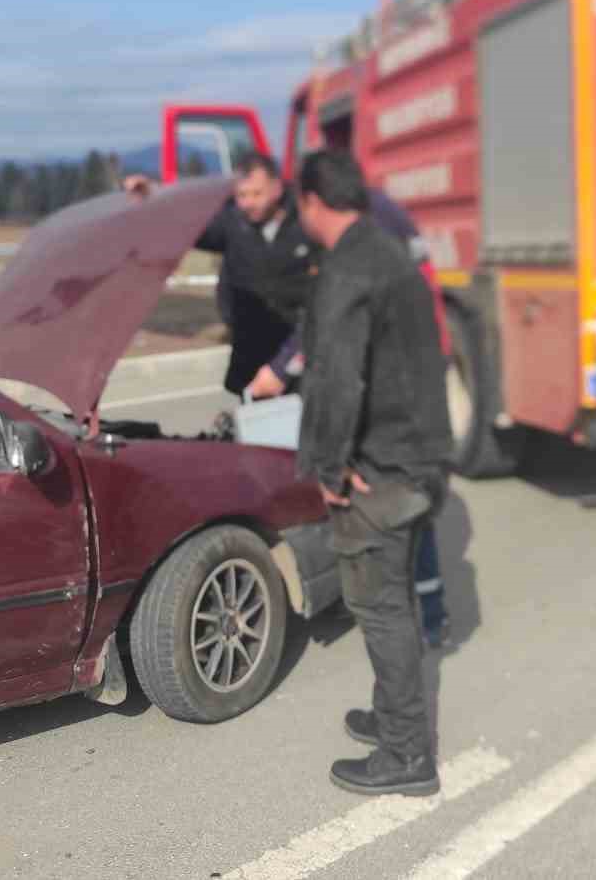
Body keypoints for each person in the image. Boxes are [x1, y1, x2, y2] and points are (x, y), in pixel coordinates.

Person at [294, 149, 452, 798]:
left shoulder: (346, 269)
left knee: (378, 606)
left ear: (311, 201)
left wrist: (330, 469)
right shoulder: (387, 251)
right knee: (396, 600)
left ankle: (407, 751)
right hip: (420, 456)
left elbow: (337, 378)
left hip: (382, 471)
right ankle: (394, 715)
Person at [255, 185, 456, 650]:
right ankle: (412, 610)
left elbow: (332, 323)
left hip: (391, 399)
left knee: (391, 504)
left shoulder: (358, 244)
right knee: (399, 505)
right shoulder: (365, 229)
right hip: (400, 387)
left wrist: (286, 365)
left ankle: (417, 615)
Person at [126, 153, 312, 396]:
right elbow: (188, 223)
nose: (247, 203)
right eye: (241, 195)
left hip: (298, 353)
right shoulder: (232, 223)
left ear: (277, 188)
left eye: (256, 194)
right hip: (250, 358)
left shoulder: (307, 223)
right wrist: (153, 196)